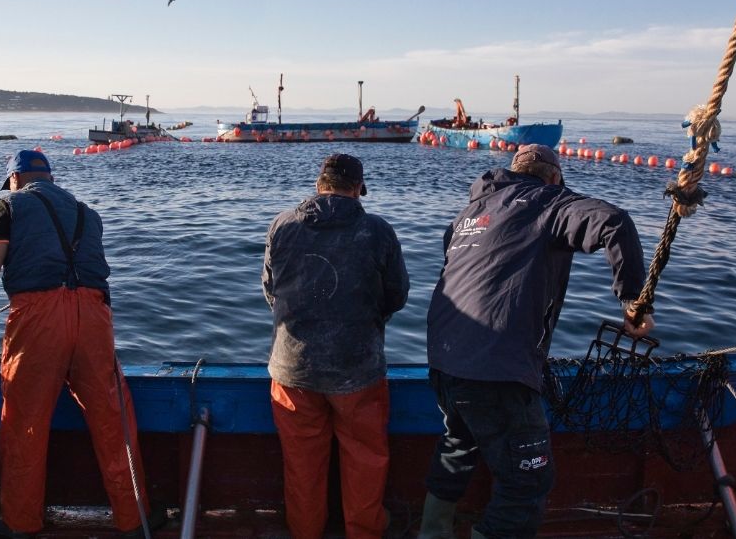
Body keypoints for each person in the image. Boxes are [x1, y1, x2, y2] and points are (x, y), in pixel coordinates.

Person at [420, 144, 649, 539]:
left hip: (444, 362)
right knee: (527, 484)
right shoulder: (549, 201)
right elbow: (613, 222)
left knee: (458, 447)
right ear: (555, 177)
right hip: (497, 369)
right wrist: (633, 300)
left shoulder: (468, 214)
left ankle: (432, 532)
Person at [0, 150, 162, 538]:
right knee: (112, 417)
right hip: (95, 317)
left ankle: (20, 521)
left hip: (38, 318)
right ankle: (135, 519)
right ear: (49, 177)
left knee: (24, 419)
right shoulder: (88, 212)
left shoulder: (9, 204)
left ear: (15, 179)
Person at [262, 153, 409, 539]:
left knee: (302, 463)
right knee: (364, 459)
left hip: (293, 368)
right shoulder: (378, 230)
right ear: (358, 189)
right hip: (357, 368)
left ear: (319, 183)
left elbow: (271, 292)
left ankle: (305, 531)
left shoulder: (282, 225)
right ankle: (364, 532)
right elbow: (397, 295)